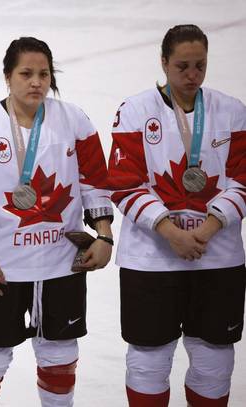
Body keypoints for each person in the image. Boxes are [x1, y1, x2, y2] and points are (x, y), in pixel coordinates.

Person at [0, 37, 113, 407]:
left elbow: (95, 181)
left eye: (44, 74)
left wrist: (103, 234)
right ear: (8, 76)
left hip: (61, 262)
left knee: (59, 356)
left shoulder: (74, 119)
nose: (36, 82)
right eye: (26, 73)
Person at [107, 24, 246, 406]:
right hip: (152, 260)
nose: (192, 75)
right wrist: (172, 232)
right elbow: (123, 182)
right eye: (182, 65)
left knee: (215, 362)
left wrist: (210, 225)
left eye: (200, 65)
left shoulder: (232, 110)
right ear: (164, 63)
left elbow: (243, 178)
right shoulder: (135, 110)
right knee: (148, 363)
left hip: (217, 257)